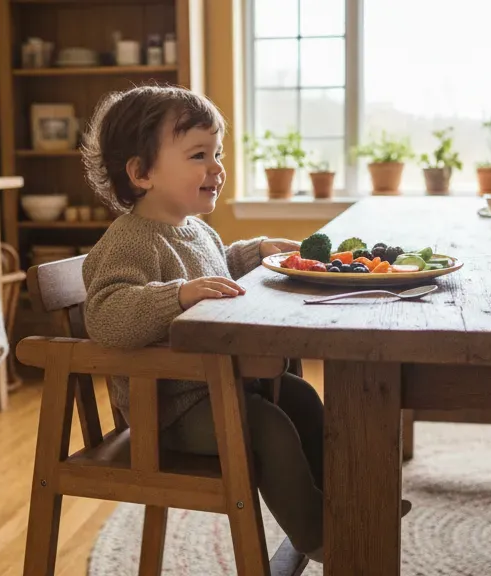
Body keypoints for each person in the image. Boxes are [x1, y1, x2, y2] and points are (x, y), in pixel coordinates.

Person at [79, 85, 332, 562]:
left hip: (217, 388)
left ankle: (343, 506)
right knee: (269, 428)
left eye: (217, 153)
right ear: (141, 172)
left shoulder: (194, 228)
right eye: (199, 154)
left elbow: (215, 269)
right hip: (171, 411)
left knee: (300, 396)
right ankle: (318, 537)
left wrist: (253, 252)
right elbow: (107, 314)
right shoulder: (129, 240)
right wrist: (174, 295)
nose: (217, 167)